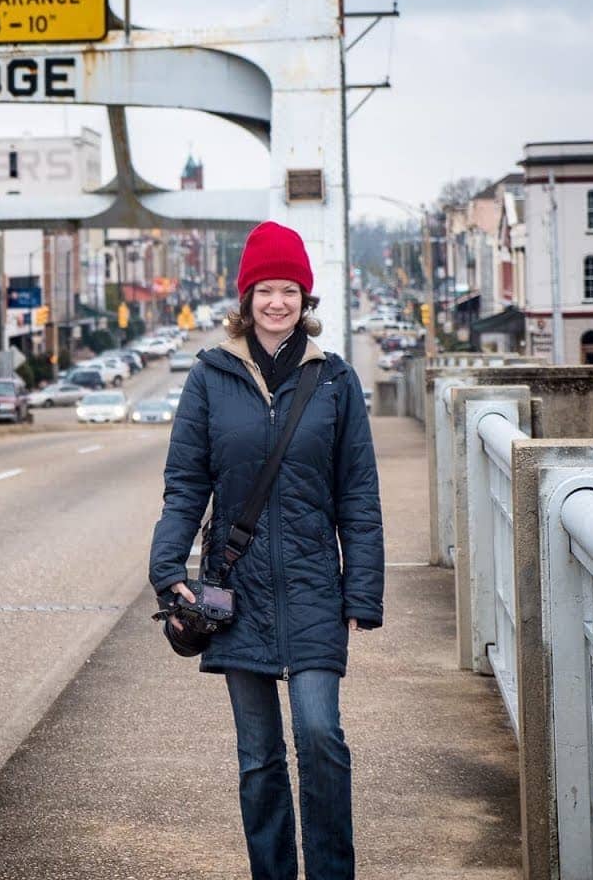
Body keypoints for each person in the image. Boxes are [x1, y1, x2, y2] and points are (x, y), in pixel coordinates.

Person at [149, 220, 384, 880]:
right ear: (245, 298)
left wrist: (362, 593)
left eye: (289, 290)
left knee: (320, 735)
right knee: (258, 757)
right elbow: (186, 484)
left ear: (304, 300)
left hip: (314, 586)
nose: (277, 302)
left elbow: (358, 494)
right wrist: (167, 573)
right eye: (264, 290)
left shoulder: (336, 382)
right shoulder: (210, 378)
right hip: (235, 589)